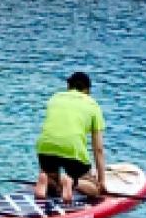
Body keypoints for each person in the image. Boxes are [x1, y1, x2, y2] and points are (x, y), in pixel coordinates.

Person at [34, 71, 108, 203]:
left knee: (54, 185)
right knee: (94, 189)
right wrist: (101, 182)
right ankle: (72, 182)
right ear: (87, 90)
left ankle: (47, 179)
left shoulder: (55, 98)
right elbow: (98, 149)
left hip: (44, 148)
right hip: (72, 151)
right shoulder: (93, 105)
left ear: (68, 86)